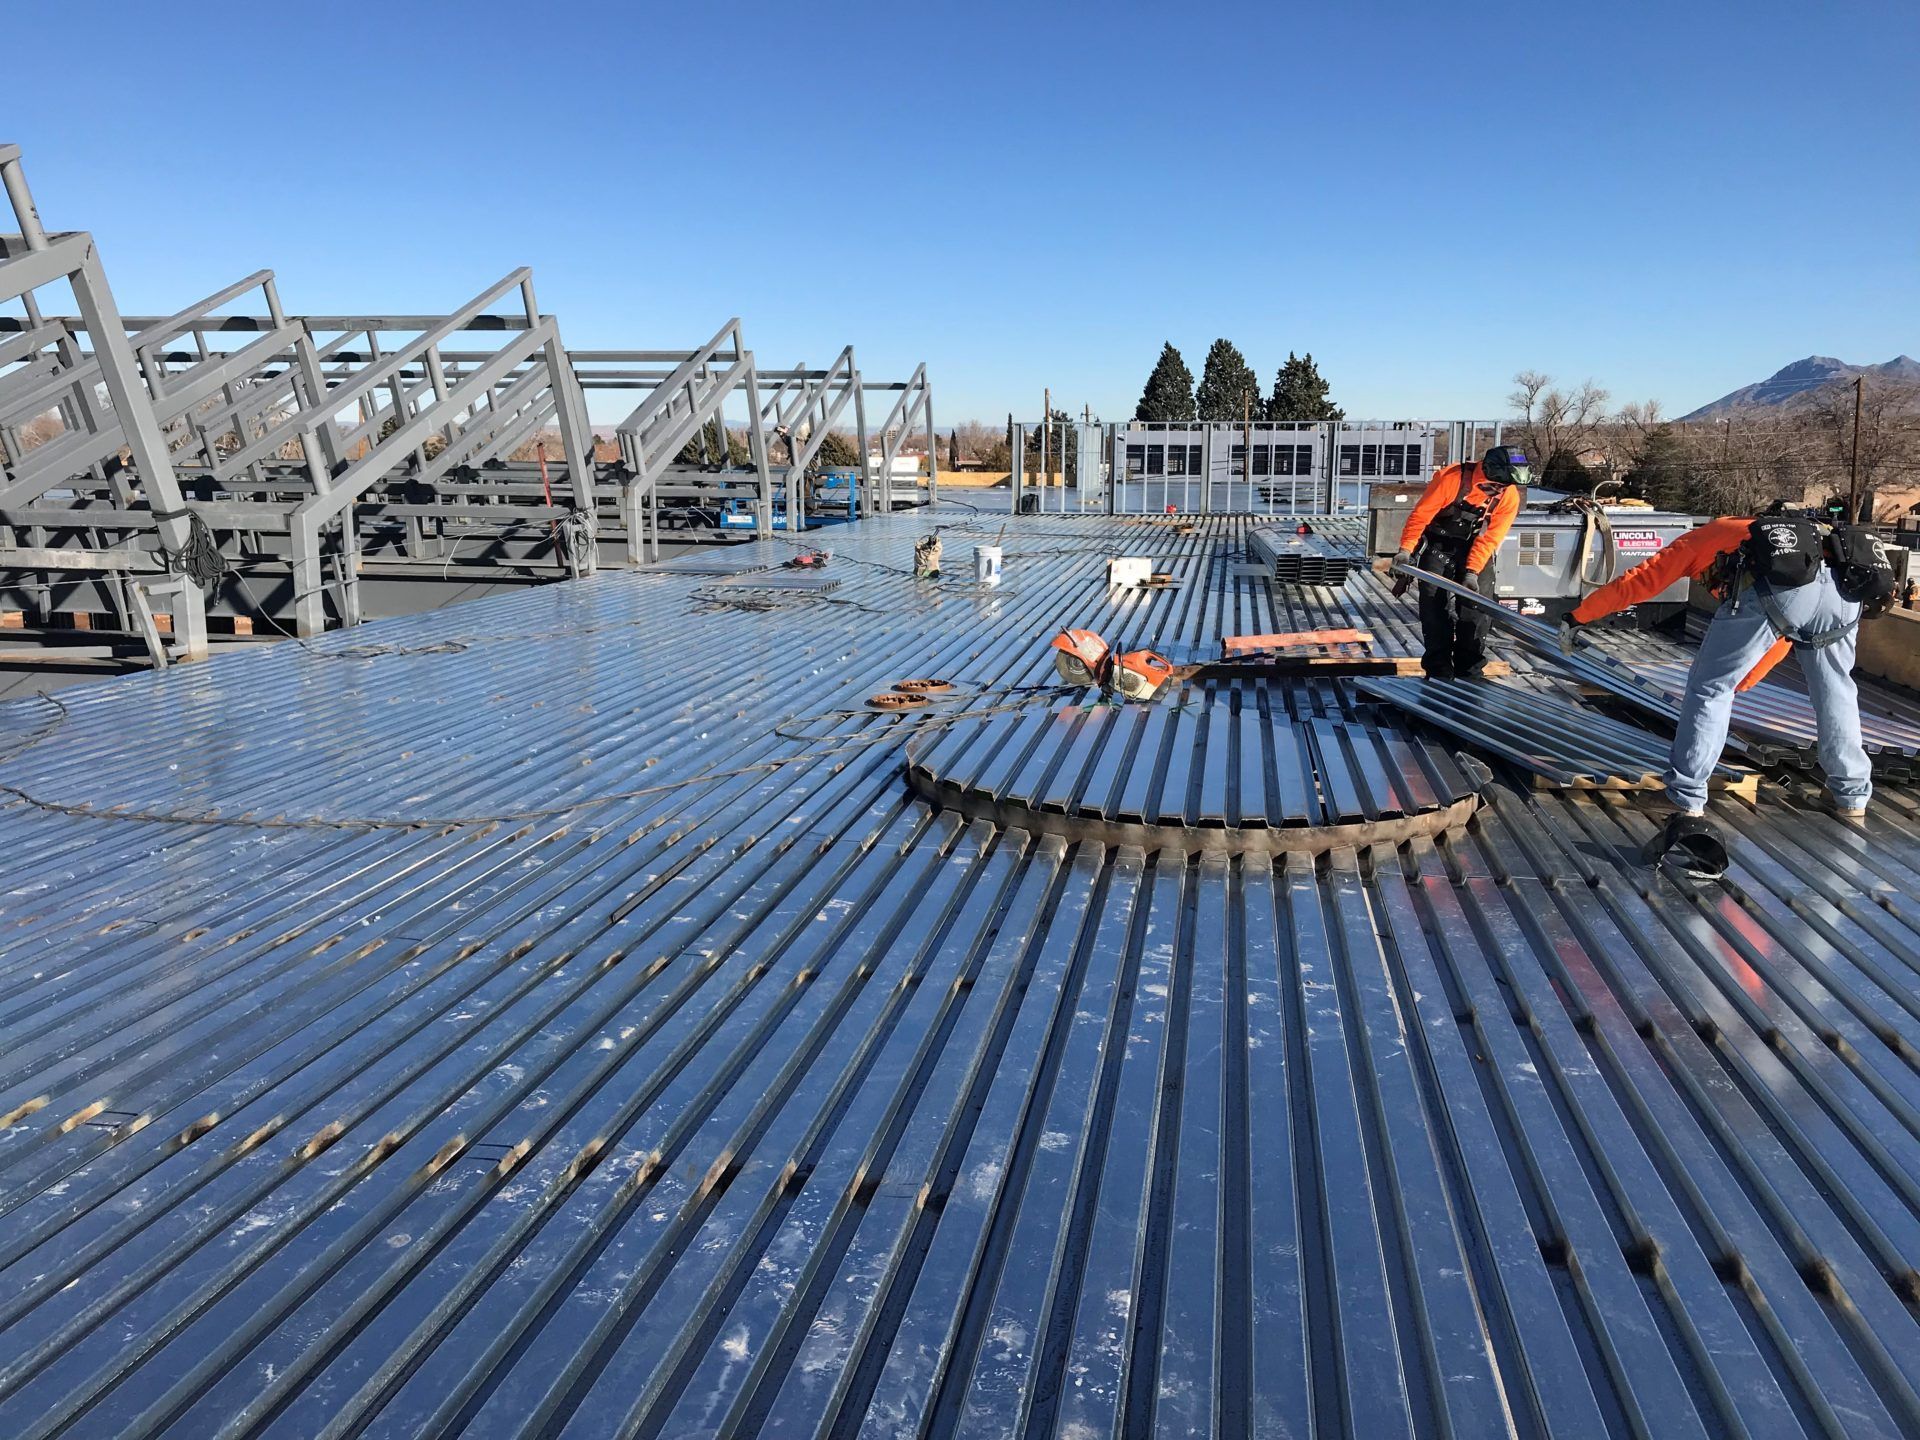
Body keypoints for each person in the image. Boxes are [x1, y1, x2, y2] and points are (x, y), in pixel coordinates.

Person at [1558, 512, 1873, 822]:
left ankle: (1684, 795)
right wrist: (1746, 678)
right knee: (1835, 692)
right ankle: (1851, 795)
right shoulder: (1788, 544)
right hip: (1845, 593)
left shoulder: (1702, 539)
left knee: (1710, 689)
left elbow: (1642, 580)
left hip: (1778, 596)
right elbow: (1787, 632)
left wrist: (1579, 616)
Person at [1371, 444, 1529, 678]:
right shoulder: (1451, 478)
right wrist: (1405, 550)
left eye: (1505, 486)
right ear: (1489, 471)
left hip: (1475, 550)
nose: (1501, 490)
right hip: (1438, 547)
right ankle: (1438, 671)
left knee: (1476, 612)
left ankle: (1469, 672)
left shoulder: (1508, 495)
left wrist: (1472, 572)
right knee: (1434, 610)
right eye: (1498, 485)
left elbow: (1490, 537)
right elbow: (1421, 516)